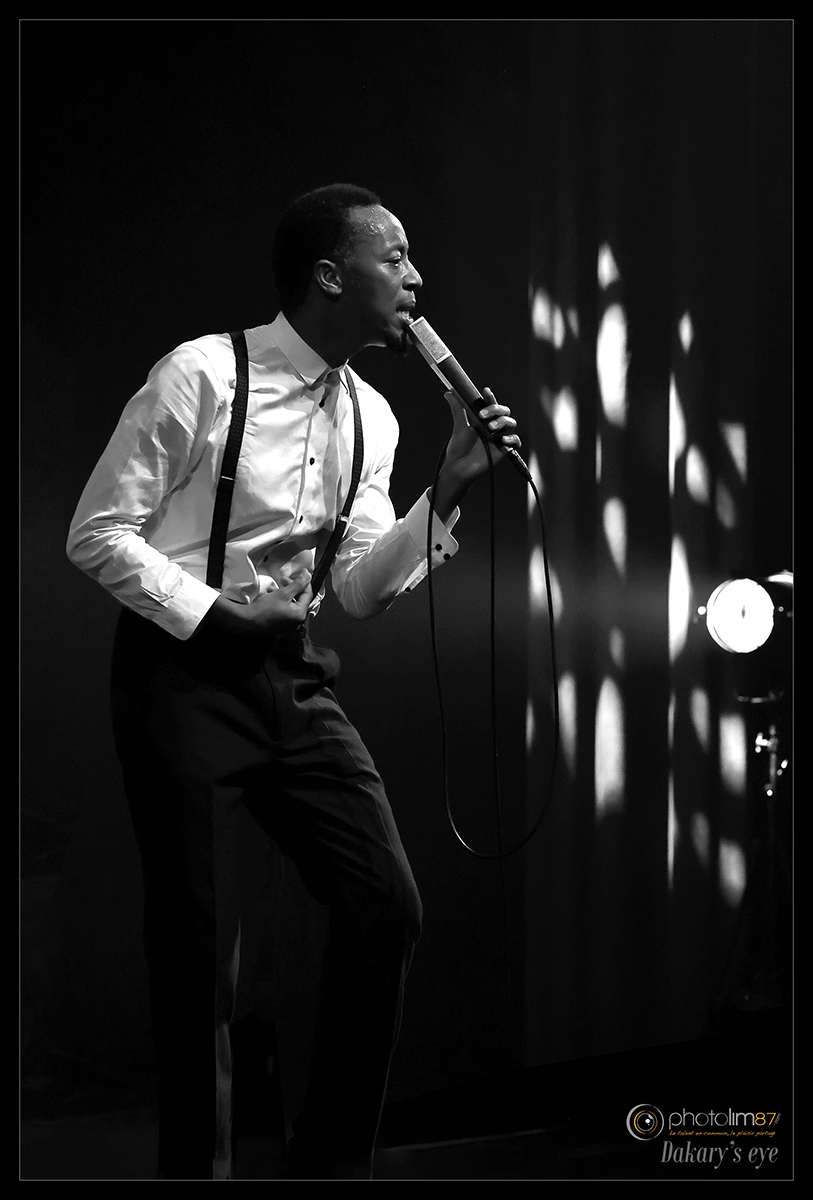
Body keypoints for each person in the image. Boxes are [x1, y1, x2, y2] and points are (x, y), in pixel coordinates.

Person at [66, 183, 520, 1180]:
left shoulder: (371, 416)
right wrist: (216, 614)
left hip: (291, 677)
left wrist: (447, 487)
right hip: (180, 676)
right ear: (330, 276)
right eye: (394, 258)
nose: (415, 279)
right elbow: (95, 532)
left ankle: (328, 1167)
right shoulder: (203, 374)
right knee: (202, 960)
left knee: (385, 904)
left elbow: (358, 590)